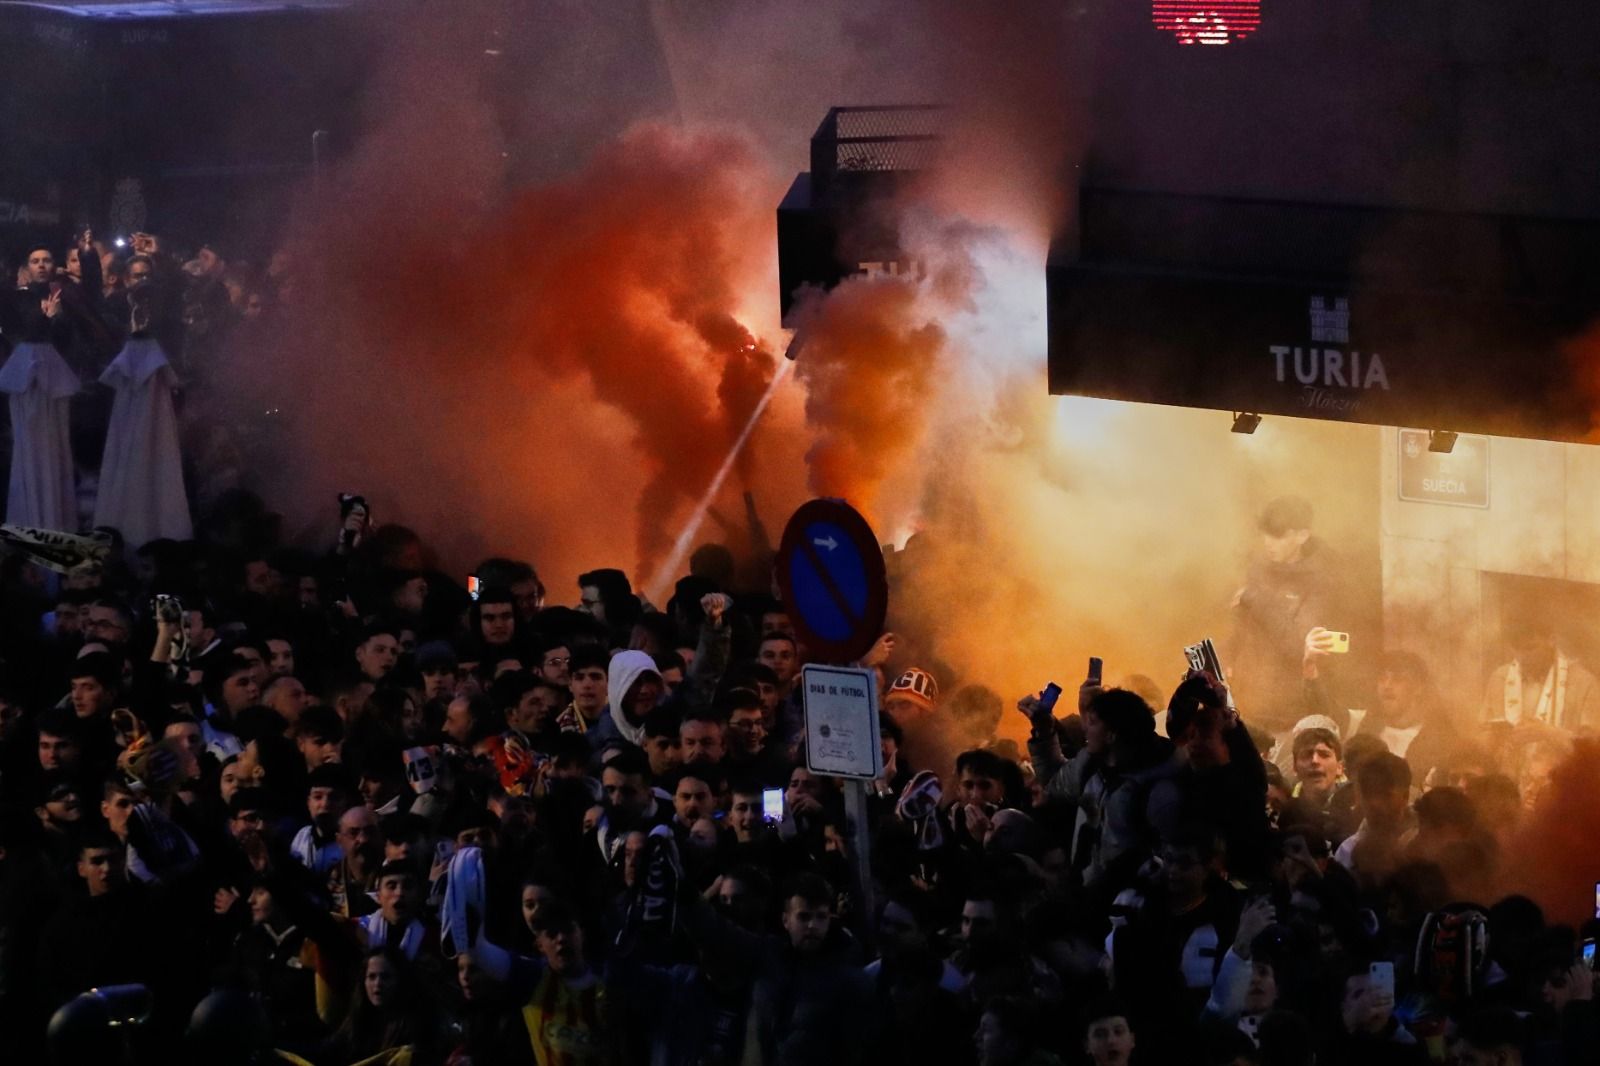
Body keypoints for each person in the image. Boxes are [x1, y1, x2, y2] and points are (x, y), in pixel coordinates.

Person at [1481, 616, 1599, 735]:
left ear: (1551, 640)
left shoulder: (1583, 683)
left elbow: (1592, 747)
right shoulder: (1500, 678)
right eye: (1516, 649)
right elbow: (1481, 733)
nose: (1522, 657)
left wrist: (1549, 734)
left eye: (1530, 648)